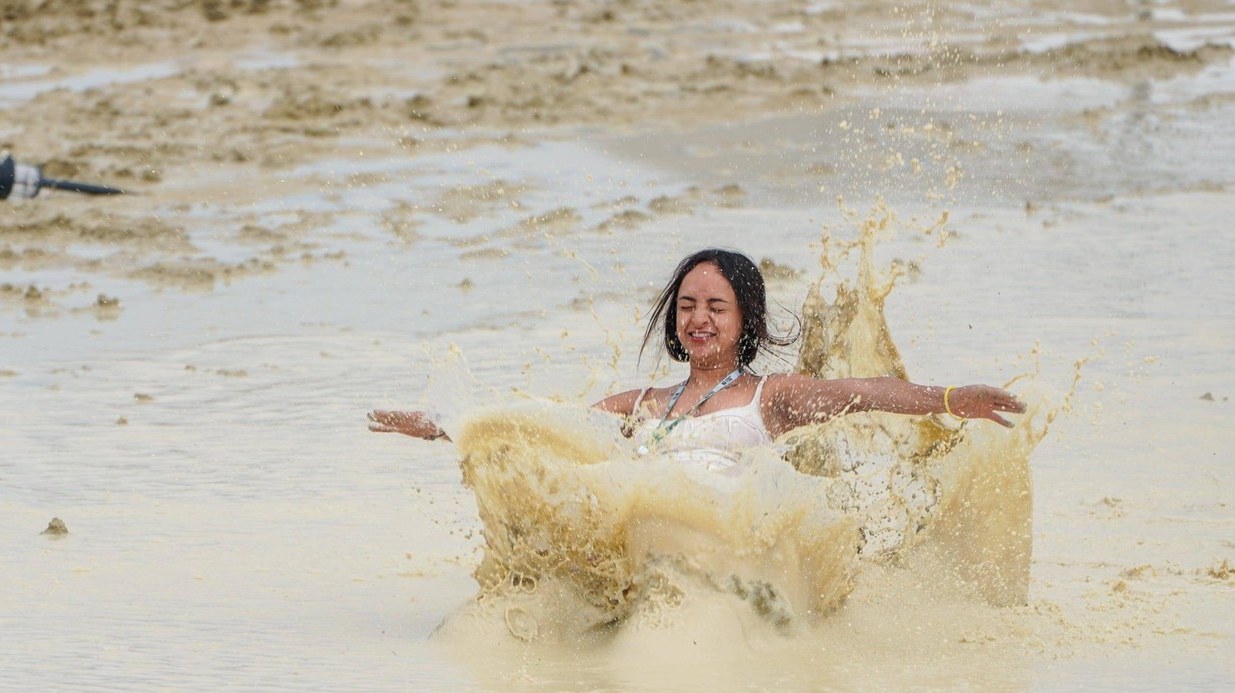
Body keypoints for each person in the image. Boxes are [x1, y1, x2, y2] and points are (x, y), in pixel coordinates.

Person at [368, 248, 1025, 462]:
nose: (699, 319)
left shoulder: (778, 397)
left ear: (745, 321)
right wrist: (444, 426)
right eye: (687, 307)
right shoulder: (642, 404)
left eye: (716, 307)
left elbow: (873, 390)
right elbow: (547, 427)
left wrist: (948, 400)